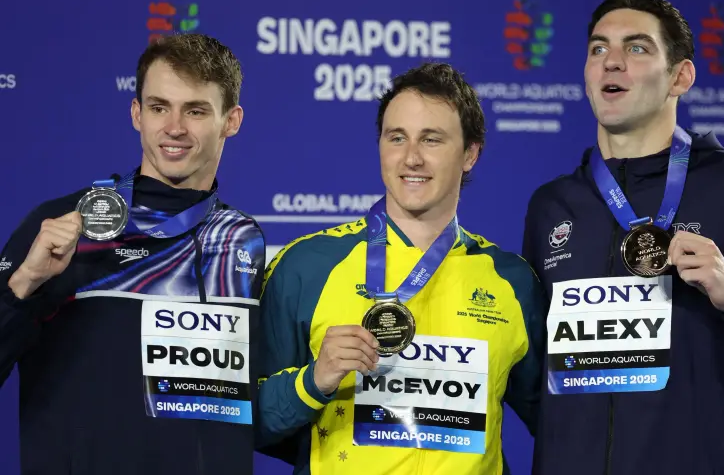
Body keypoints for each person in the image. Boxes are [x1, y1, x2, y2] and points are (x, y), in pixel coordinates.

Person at [521, 0, 724, 475]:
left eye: (636, 47)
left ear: (680, 77)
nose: (611, 61)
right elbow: (533, 371)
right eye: (598, 48)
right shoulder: (552, 206)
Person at [255, 62, 546, 474]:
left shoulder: (511, 281)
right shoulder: (307, 265)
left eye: (431, 139)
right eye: (397, 138)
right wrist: (313, 380)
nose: (411, 158)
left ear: (470, 154)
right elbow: (244, 421)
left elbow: (563, 425)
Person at [0, 33, 266, 475]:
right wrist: (24, 284)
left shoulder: (243, 239)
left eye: (196, 111)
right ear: (136, 114)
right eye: (159, 108)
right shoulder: (64, 224)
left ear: (231, 121)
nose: (174, 128)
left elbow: (258, 398)